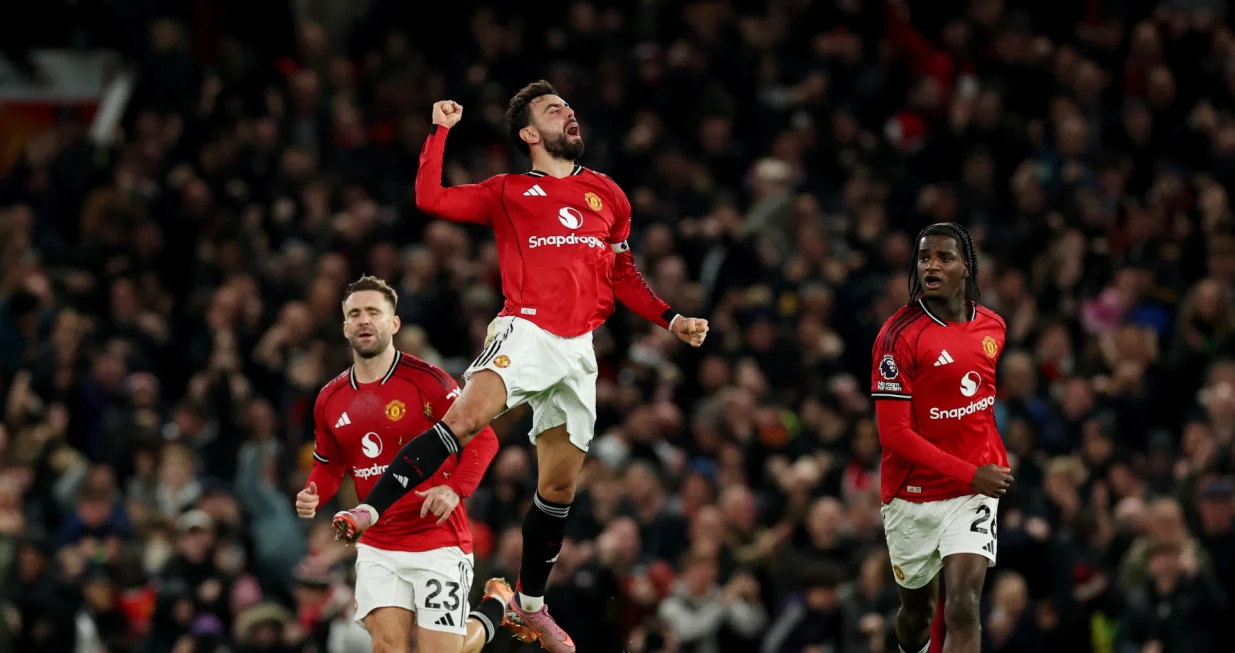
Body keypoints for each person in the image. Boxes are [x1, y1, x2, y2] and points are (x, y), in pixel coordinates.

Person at [330, 80, 710, 653]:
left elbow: (622, 275)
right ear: (531, 134)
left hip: (580, 348)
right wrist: (440, 131)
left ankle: (529, 605)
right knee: (466, 418)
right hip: (527, 329)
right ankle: (369, 507)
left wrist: (672, 319)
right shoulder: (507, 191)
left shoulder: (608, 195)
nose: (570, 113)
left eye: (569, 107)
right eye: (555, 110)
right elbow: (430, 199)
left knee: (557, 487)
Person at [294, 276, 536, 653]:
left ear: (394, 323)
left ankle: (497, 605)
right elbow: (328, 465)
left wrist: (455, 488)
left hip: (436, 537)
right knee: (387, 646)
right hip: (378, 541)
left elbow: (484, 438)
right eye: (354, 314)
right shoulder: (330, 397)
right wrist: (314, 492)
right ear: (344, 327)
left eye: (374, 312)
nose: (363, 320)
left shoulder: (429, 382)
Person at [869, 222, 1015, 653]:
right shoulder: (897, 339)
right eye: (924, 258)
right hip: (912, 494)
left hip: (972, 491)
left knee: (965, 607)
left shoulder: (993, 328)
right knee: (917, 616)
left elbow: (978, 405)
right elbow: (893, 435)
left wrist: (980, 470)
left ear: (966, 268)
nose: (931, 266)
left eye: (944, 258)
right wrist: (972, 473)